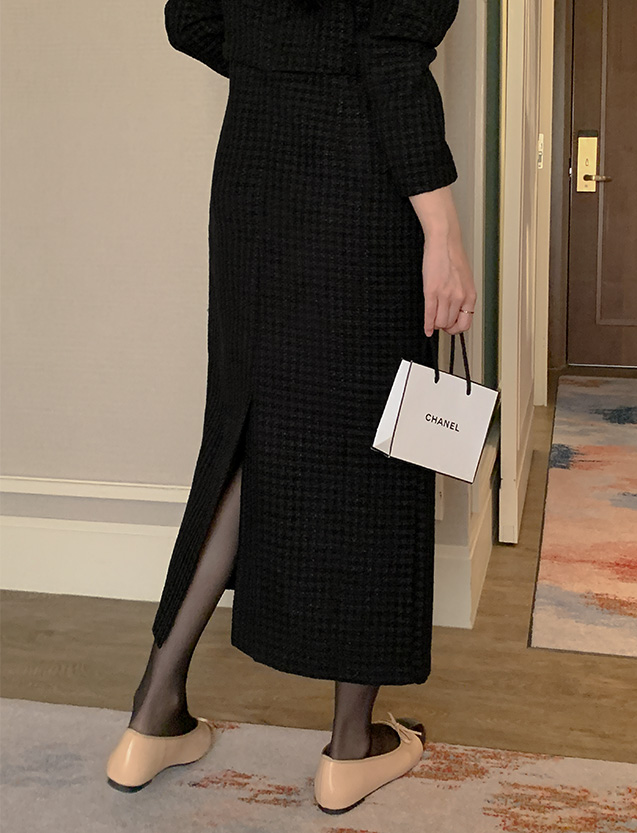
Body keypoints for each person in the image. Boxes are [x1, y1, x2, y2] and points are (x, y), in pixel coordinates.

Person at [106, 0, 476, 814]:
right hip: (358, 184)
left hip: (254, 178)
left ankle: (152, 711)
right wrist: (443, 233)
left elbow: (191, 19)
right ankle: (350, 745)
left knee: (248, 436)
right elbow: (389, 56)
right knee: (380, 454)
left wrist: (283, 63)